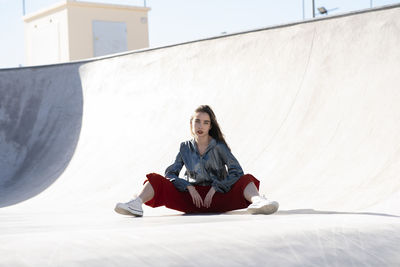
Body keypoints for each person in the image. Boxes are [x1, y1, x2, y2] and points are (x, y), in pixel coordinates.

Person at [115, 105, 279, 217]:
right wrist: (188, 187)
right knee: (155, 178)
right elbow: (170, 174)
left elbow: (237, 172)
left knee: (246, 178)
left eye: (206, 122)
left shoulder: (219, 146)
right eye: (197, 121)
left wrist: (216, 188)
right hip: (191, 200)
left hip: (217, 198)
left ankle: (258, 201)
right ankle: (136, 203)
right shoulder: (184, 147)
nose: (201, 125)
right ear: (191, 123)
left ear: (210, 126)